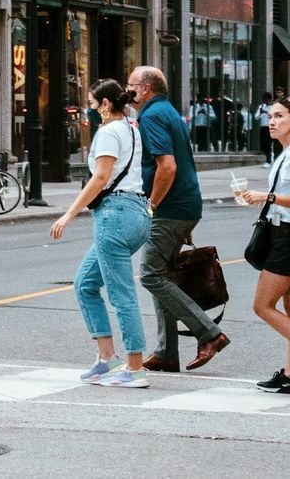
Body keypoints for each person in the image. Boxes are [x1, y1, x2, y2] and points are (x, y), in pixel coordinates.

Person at [127, 67, 229, 373]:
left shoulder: (152, 115)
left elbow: (167, 167)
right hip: (184, 205)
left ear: (144, 88)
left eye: (131, 85)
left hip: (169, 208)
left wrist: (152, 204)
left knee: (149, 275)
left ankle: (210, 334)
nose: (128, 90)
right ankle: (166, 352)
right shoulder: (168, 111)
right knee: (162, 274)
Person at [50, 79, 151, 388]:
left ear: (106, 104)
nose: (91, 111)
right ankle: (106, 359)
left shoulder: (109, 132)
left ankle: (134, 368)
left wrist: (69, 213)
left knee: (122, 295)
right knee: (85, 284)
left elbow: (101, 178)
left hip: (115, 215)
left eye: (92, 105)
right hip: (135, 213)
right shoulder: (131, 129)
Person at [239, 96, 290, 395]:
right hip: (281, 232)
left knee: (262, 305)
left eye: (280, 116)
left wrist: (265, 197)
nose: (272, 121)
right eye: (271, 116)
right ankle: (288, 374)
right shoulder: (283, 153)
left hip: (287, 237)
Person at [258, 93, 274, 167]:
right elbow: (256, 117)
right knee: (263, 145)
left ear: (270, 100)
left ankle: (268, 161)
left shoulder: (273, 107)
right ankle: (271, 155)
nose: (265, 101)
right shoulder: (261, 106)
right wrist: (260, 113)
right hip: (263, 127)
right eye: (264, 100)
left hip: (270, 127)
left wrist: (266, 112)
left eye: (267, 100)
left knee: (268, 144)